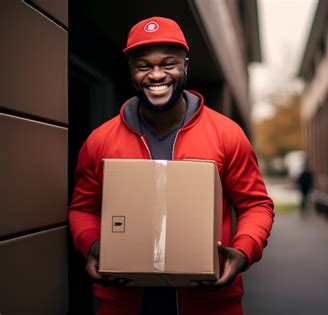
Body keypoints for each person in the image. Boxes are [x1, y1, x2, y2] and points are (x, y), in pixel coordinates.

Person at [68, 17, 274, 315]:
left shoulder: (226, 134)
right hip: (123, 303)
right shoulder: (100, 141)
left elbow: (256, 205)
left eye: (168, 64)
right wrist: (91, 246)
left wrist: (243, 251)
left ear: (185, 66)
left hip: (209, 304)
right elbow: (82, 208)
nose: (156, 75)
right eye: (143, 66)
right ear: (131, 71)